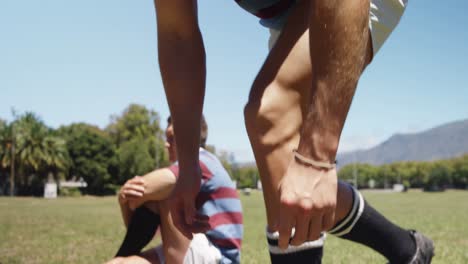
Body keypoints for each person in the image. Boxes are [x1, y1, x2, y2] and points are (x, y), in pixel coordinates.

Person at [153, 0, 434, 263]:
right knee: (283, 161)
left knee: (272, 116)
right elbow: (178, 34)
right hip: (294, 14)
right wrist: (188, 165)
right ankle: (408, 251)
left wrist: (317, 157)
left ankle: (406, 251)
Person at [107, 116, 243, 264]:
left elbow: (143, 189)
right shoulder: (194, 167)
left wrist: (127, 197)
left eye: (171, 138)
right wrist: (123, 202)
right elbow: (140, 229)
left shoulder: (200, 160)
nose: (166, 144)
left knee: (164, 191)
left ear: (190, 136)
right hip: (195, 247)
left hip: (216, 255)